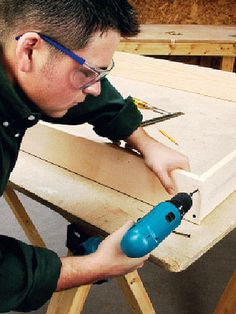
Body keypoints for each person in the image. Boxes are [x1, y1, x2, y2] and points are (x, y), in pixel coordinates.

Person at [0, 0, 190, 312]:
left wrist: (141, 138)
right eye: (88, 72)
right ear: (30, 50)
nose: (96, 89)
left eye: (100, 73)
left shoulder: (12, 42)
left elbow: (68, 85)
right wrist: (96, 266)